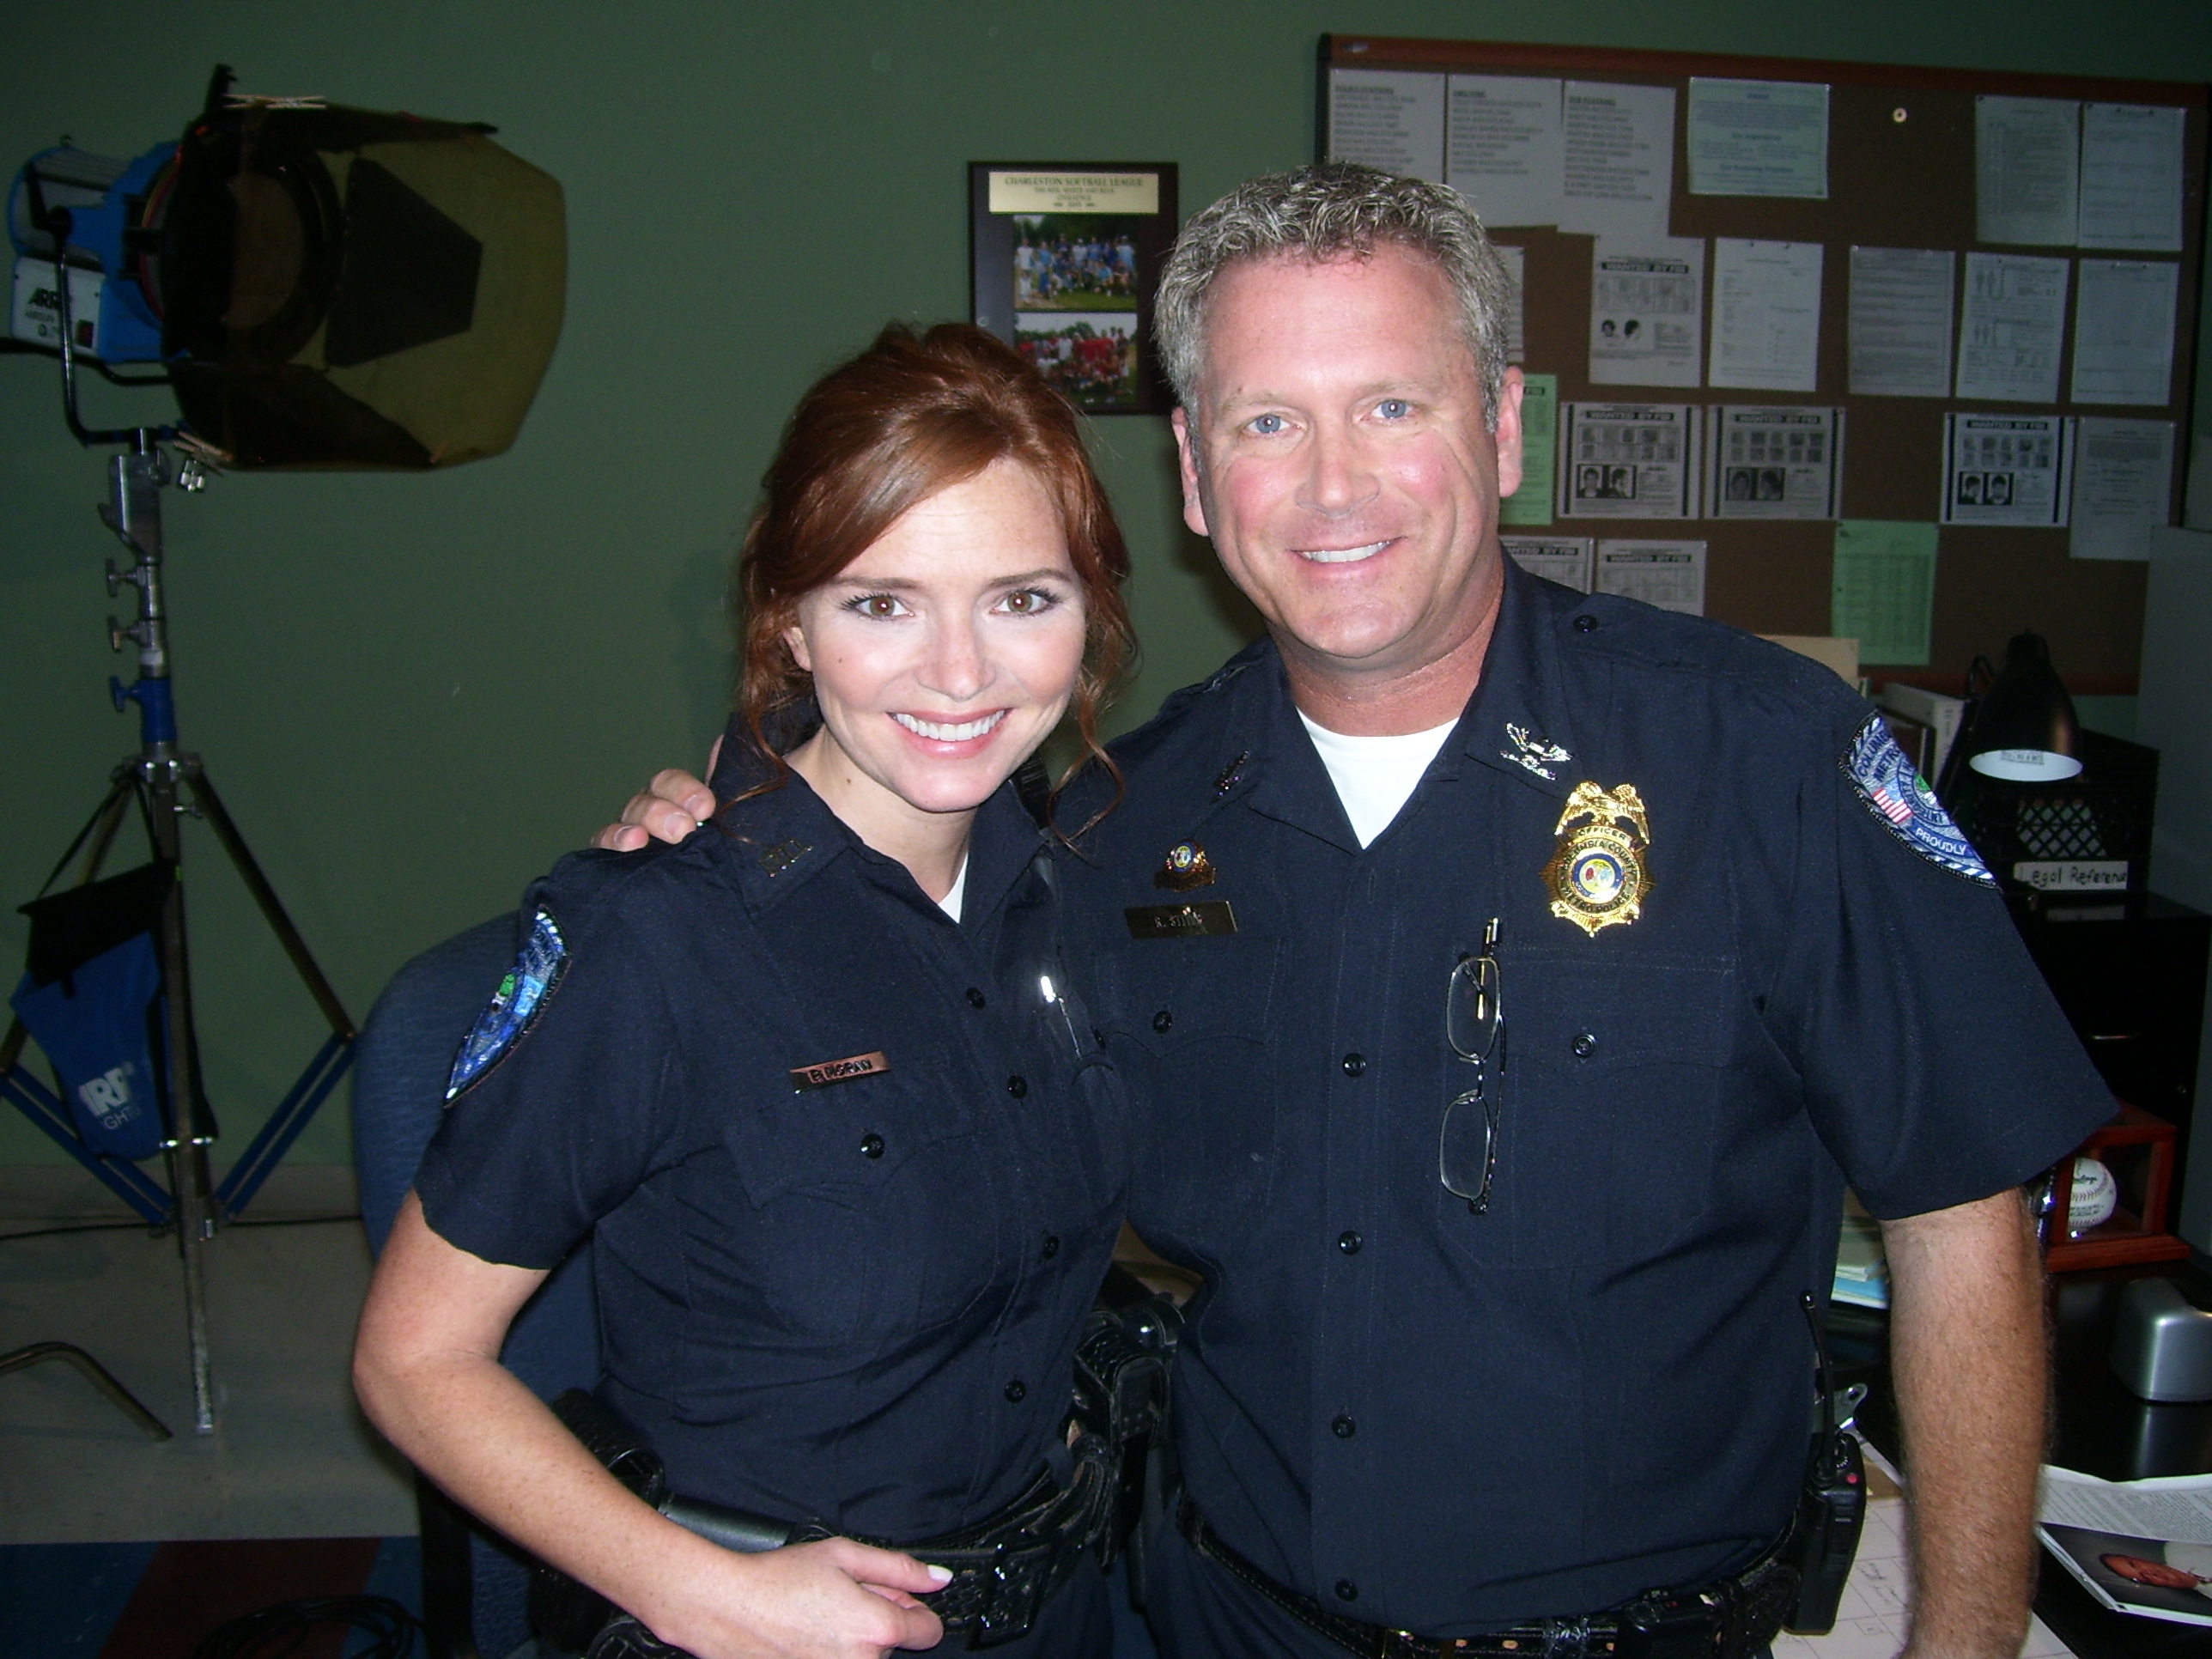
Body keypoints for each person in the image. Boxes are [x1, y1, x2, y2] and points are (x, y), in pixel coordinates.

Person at [610, 164, 2111, 1659]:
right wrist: (727, 839)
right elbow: (887, 984)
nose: (1335, 487)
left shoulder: (1763, 760)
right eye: (1271, 423)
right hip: (1221, 1615)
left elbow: (1962, 1220)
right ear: (1197, 475)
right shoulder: (1115, 829)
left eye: (1395, 406)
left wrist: (1964, 1644)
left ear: (1504, 425)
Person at [356, 322, 1140, 1659]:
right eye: (881, 602)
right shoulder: (655, 937)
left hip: (1052, 1598)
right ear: (789, 617)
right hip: (769, 1622)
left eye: (1022, 597)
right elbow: (412, 1364)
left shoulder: (1069, 888)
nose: (961, 672)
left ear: (1092, 612)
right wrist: (697, 1591)